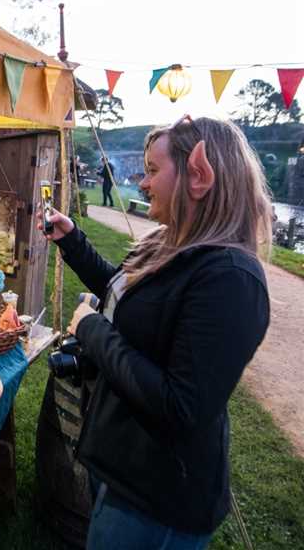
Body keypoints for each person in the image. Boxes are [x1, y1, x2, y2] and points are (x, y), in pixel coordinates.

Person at [38, 115, 271, 549]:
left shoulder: (230, 278)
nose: (142, 184)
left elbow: (179, 406)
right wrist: (73, 242)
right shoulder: (174, 246)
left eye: (151, 170)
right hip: (123, 468)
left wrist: (91, 330)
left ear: (198, 175)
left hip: (157, 498)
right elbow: (130, 303)